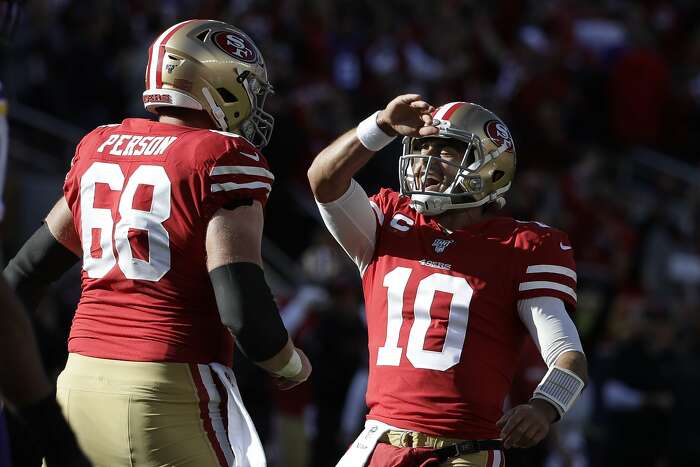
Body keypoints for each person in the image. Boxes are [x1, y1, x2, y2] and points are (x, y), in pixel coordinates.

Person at [3, 19, 310, 467]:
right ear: (217, 82)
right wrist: (290, 366)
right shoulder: (223, 156)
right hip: (169, 391)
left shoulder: (99, 145)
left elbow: (24, 275)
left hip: (77, 383)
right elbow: (244, 312)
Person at [307, 94, 588, 467]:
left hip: (463, 450)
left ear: (492, 168)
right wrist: (380, 126)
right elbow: (324, 181)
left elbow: (568, 357)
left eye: (447, 150)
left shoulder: (523, 247)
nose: (427, 162)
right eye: (425, 147)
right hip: (379, 442)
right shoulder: (391, 222)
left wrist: (544, 406)